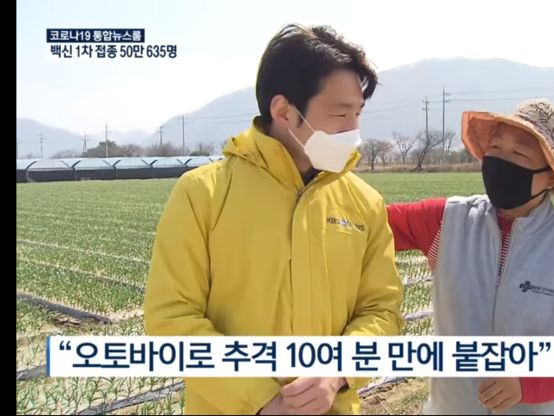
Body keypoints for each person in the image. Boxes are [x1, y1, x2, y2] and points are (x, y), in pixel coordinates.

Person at [143, 24, 404, 415]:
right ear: (284, 111)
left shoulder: (364, 203)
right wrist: (259, 397)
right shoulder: (204, 194)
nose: (353, 131)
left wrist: (337, 372)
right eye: (339, 114)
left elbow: (382, 311)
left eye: (357, 114)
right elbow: (171, 318)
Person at [386, 99, 554, 414]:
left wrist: (528, 382)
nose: (501, 162)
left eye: (519, 154)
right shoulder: (447, 222)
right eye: (495, 148)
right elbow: (367, 224)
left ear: (550, 177)